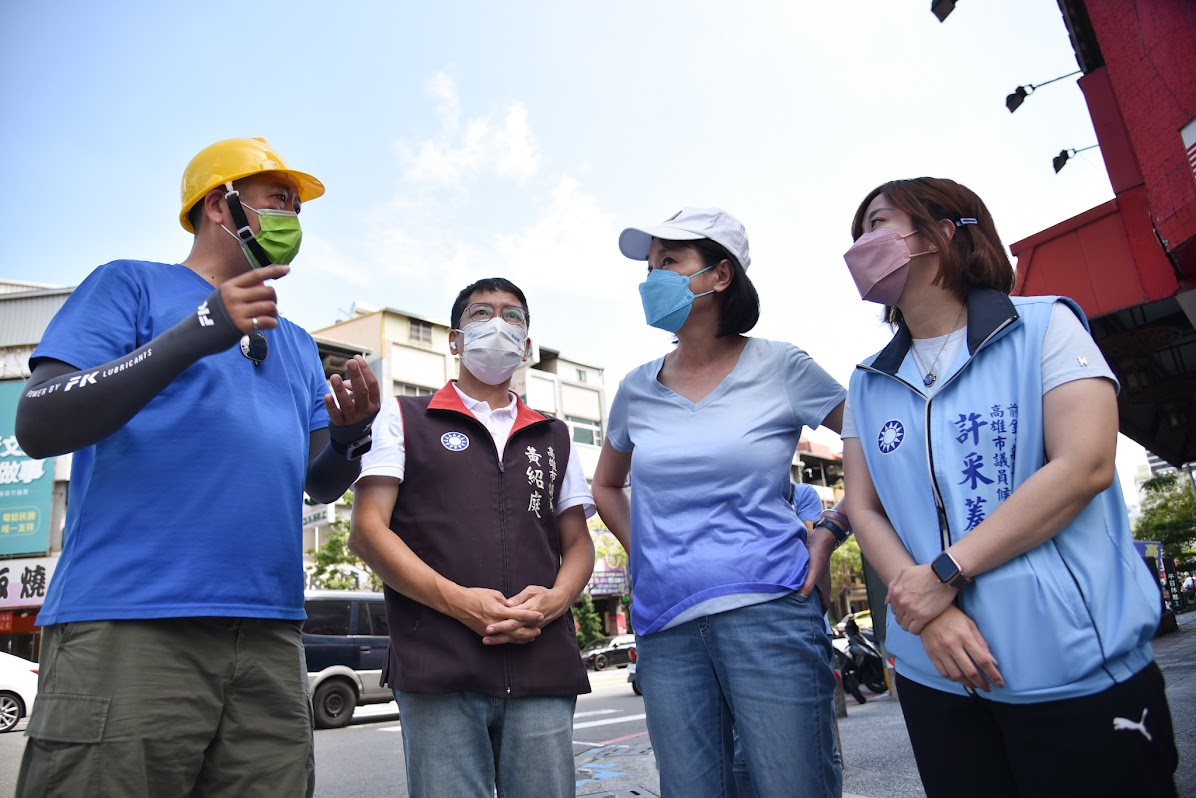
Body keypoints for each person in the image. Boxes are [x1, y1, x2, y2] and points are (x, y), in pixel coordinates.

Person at [12, 137, 381, 798]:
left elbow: (316, 480)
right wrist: (196, 330)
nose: (291, 221)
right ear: (221, 204)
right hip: (131, 621)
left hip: (269, 633)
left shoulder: (292, 342)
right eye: (277, 201)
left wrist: (352, 441)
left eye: (296, 209)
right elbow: (38, 421)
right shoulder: (128, 285)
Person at [840, 177, 1178, 797]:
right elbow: (863, 505)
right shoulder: (868, 381)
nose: (863, 243)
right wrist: (926, 619)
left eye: (879, 223)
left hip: (1071, 666)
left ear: (945, 231)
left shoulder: (1046, 326)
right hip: (936, 674)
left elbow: (1085, 466)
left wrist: (943, 573)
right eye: (858, 231)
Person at [592, 207, 847, 797]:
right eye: (651, 265)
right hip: (667, 630)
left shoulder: (781, 365)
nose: (653, 277)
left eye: (669, 261)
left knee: (793, 786)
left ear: (720, 276)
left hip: (771, 613)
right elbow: (606, 485)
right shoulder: (635, 388)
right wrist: (647, 550)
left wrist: (832, 527)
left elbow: (877, 436)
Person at [349, 277, 595, 798]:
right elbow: (369, 531)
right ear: (455, 339)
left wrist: (556, 601)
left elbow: (577, 543)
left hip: (541, 664)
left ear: (526, 346)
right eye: (481, 314)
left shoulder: (553, 434)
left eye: (513, 317)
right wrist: (461, 604)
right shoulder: (403, 417)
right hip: (439, 665)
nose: (498, 325)